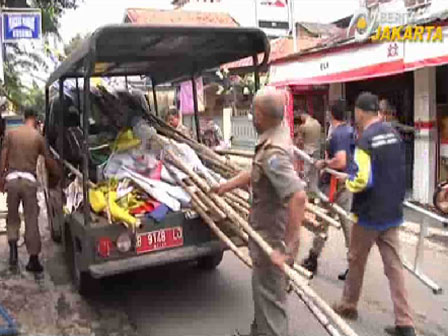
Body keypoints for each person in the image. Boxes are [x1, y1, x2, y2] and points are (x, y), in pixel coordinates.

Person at [213, 88, 307, 336]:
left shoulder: (273, 152)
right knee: (262, 293)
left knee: (271, 300)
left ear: (259, 114)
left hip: (271, 237)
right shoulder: (277, 133)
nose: (251, 118)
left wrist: (287, 248)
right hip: (265, 232)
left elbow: (298, 196)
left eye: (253, 112)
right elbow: (258, 171)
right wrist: (227, 185)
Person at [333, 92, 416, 336]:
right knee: (394, 267)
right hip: (392, 210)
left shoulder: (365, 141)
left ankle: (349, 304)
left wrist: (348, 184)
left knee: (356, 260)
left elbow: (361, 180)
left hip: (369, 214)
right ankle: (405, 322)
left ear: (359, 112)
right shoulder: (393, 134)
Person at [302, 99, 355, 281]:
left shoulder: (339, 134)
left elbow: (340, 161)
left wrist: (324, 163)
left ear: (331, 114)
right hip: (343, 184)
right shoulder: (348, 131)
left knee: (326, 221)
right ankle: (314, 258)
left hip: (336, 185)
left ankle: (313, 259)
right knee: (341, 223)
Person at [0, 108, 51, 273]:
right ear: (35, 118)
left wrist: (1, 178)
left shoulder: (11, 134)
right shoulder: (38, 137)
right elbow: (48, 160)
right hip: (29, 181)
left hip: (12, 180)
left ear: (23, 118)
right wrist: (57, 175)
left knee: (13, 217)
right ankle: (33, 260)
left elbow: (3, 157)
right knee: (31, 220)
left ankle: (13, 254)